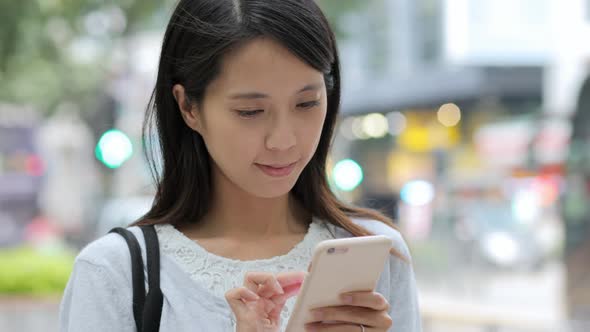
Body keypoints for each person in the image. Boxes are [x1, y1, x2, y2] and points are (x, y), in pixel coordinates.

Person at [58, 0, 422, 331]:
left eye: (307, 103)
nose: (283, 139)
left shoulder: (377, 253)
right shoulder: (113, 274)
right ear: (189, 107)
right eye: (251, 111)